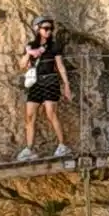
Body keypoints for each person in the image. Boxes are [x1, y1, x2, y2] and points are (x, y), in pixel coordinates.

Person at [19, 15, 74, 159]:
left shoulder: (54, 46)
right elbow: (21, 65)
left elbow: (60, 66)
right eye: (46, 28)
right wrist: (28, 53)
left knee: (51, 113)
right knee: (29, 116)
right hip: (36, 82)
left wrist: (66, 86)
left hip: (50, 80)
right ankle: (29, 148)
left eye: (51, 29)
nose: (49, 31)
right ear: (38, 29)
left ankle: (63, 146)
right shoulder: (31, 45)